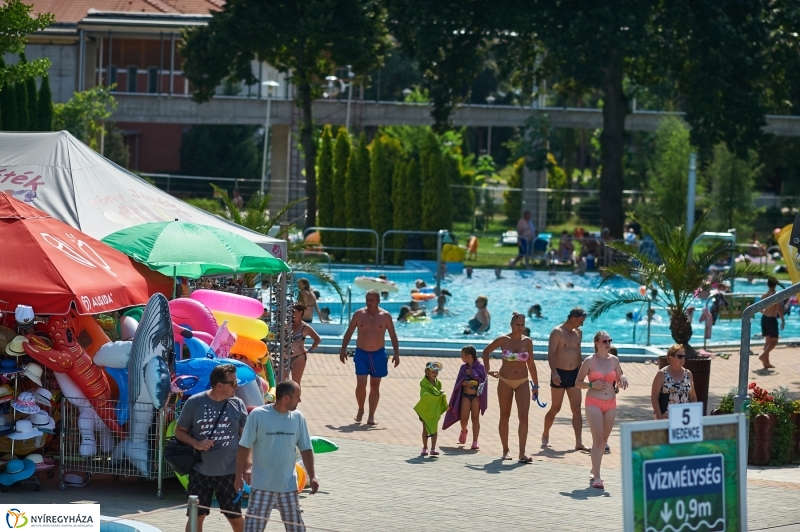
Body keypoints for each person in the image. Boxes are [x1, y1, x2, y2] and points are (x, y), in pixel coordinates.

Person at [236, 380, 318, 532]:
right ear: (286, 398)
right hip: (261, 487)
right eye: (297, 396)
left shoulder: (298, 417)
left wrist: (312, 476)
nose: (300, 400)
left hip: (288, 487)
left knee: (297, 530)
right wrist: (238, 475)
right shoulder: (258, 415)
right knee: (252, 530)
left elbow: (306, 448)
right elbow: (244, 445)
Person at [176, 364, 248, 532]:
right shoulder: (195, 402)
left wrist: (247, 466)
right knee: (196, 518)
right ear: (220, 385)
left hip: (229, 472)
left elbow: (246, 439)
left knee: (235, 518)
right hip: (201, 471)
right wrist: (196, 443)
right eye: (234, 383)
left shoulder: (238, 404)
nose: (236, 386)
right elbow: (180, 432)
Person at [483, 313, 539, 462]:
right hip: (505, 381)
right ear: (511, 325)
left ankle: (522, 453)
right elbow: (486, 351)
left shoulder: (528, 342)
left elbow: (531, 364)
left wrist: (536, 385)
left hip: (522, 382)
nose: (520, 327)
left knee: (524, 416)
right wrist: (487, 370)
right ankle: (505, 450)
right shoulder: (503, 340)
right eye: (517, 324)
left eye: (522, 324)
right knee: (505, 415)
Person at [339, 290, 401, 425]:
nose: (369, 303)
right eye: (367, 300)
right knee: (361, 385)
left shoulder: (385, 316)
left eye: (372, 300)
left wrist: (397, 353)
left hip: (378, 354)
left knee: (375, 385)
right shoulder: (359, 314)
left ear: (378, 301)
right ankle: (361, 409)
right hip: (361, 353)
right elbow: (349, 332)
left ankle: (371, 415)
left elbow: (393, 335)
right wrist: (343, 349)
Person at [575, 332, 627, 489]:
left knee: (603, 441)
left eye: (609, 340)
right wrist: (592, 385)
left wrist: (623, 379)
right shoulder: (590, 361)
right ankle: (597, 476)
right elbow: (577, 382)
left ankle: (594, 467)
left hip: (610, 403)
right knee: (598, 439)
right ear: (597, 343)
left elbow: (619, 378)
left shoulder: (614, 360)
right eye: (604, 341)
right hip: (593, 403)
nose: (608, 343)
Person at [541, 308, 588, 451]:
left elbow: (578, 354)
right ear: (573, 318)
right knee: (556, 408)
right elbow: (550, 354)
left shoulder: (578, 333)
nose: (581, 325)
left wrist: (581, 373)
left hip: (574, 374)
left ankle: (578, 442)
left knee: (576, 409)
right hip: (559, 374)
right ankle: (545, 434)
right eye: (580, 321)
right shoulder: (557, 332)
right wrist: (554, 373)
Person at [443, 345, 487, 450]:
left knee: (475, 418)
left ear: (469, 356)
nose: (461, 357)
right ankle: (464, 430)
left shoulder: (481, 367)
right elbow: (459, 382)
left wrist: (473, 374)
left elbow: (483, 381)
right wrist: (465, 383)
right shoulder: (463, 368)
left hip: (476, 397)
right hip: (465, 396)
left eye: (462, 355)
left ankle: (475, 441)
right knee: (464, 418)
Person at [650, 344, 697, 419]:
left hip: (684, 418)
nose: (682, 359)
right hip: (666, 417)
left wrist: (693, 414)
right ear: (670, 358)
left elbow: (693, 396)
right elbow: (654, 397)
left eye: (684, 356)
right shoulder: (661, 374)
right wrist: (659, 416)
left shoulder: (688, 374)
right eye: (679, 356)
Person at [413, 361, 447, 456]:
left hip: (434, 410)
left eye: (436, 372)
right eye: (433, 372)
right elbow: (425, 395)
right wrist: (437, 394)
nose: (435, 374)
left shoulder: (438, 383)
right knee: (425, 429)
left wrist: (441, 394)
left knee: (435, 429)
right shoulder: (423, 383)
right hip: (426, 409)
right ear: (427, 372)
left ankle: (433, 448)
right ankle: (425, 447)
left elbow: (438, 394)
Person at [289, 304, 321, 386]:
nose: (291, 314)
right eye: (290, 312)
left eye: (293, 312)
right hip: (286, 357)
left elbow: (317, 339)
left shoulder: (305, 327)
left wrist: (309, 350)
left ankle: (297, 398)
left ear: (300, 312)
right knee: (281, 382)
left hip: (299, 357)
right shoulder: (287, 325)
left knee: (296, 383)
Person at [759, 278, 784, 368]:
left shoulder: (764, 295)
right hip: (771, 320)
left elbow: (760, 309)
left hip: (764, 318)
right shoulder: (775, 295)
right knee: (774, 341)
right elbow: (779, 309)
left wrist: (766, 312)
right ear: (775, 285)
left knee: (768, 341)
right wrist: (783, 320)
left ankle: (766, 363)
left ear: (767, 285)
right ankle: (763, 356)